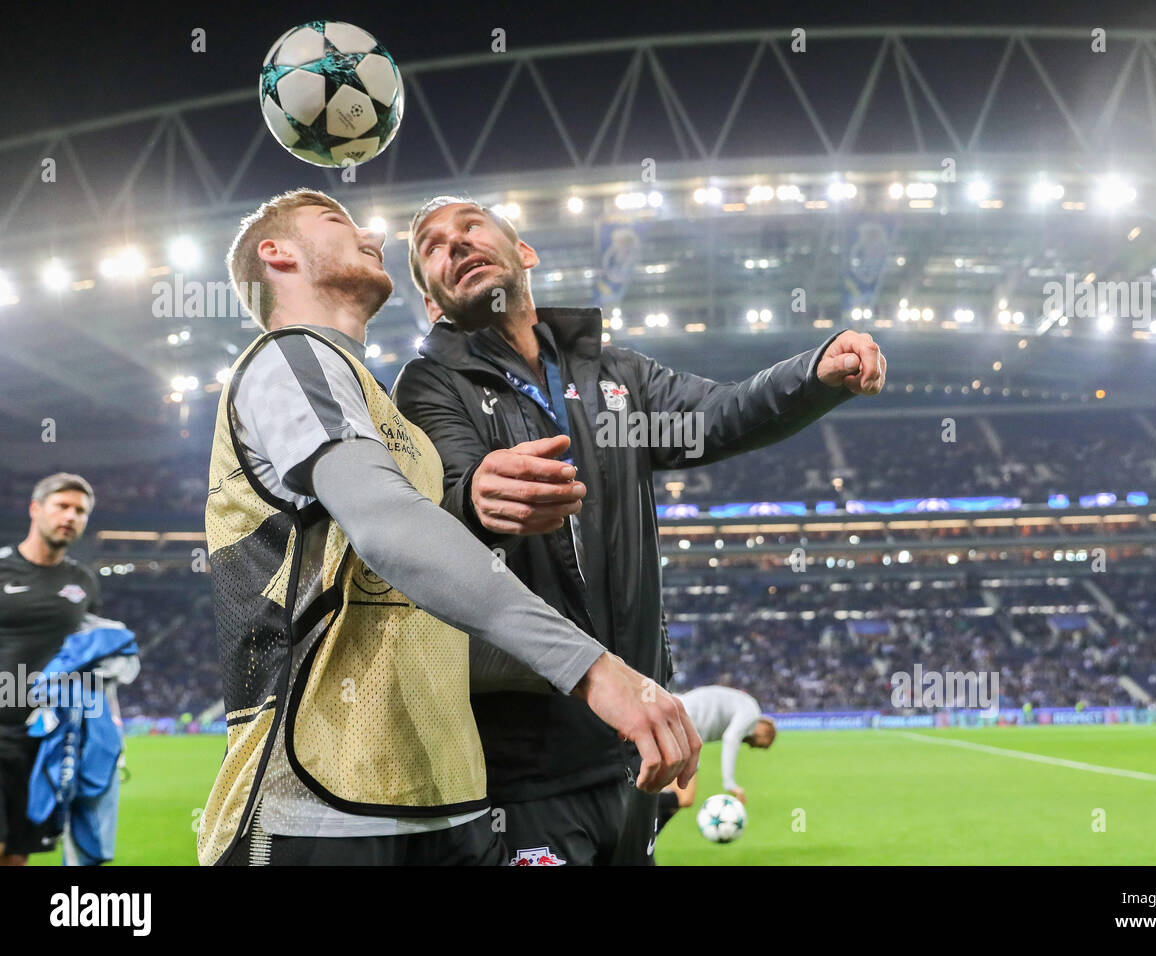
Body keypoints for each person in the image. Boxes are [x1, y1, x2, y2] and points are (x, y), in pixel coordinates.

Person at [201, 188, 698, 867]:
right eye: (337, 223)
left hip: (448, 806)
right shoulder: (288, 359)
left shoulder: (390, 416)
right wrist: (595, 669)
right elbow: (389, 527)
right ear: (276, 252)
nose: (374, 236)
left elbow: (421, 613)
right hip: (319, 810)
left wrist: (625, 701)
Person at [393, 195, 886, 865]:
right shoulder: (432, 384)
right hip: (524, 766)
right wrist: (475, 496)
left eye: (470, 226)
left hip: (632, 749)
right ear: (433, 305)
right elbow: (434, 509)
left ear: (524, 253)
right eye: (432, 246)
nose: (454, 243)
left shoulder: (615, 377)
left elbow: (717, 416)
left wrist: (812, 374)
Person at [0, 473, 100, 865]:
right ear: (35, 509)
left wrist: (107, 728)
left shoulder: (84, 583)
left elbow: (92, 658)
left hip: (47, 741)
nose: (71, 516)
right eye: (62, 506)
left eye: (80, 511)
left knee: (17, 856)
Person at [658, 686, 776, 832]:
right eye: (760, 745)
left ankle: (647, 838)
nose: (752, 747)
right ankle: (646, 831)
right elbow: (731, 738)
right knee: (685, 797)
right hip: (682, 724)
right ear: (765, 733)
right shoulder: (751, 713)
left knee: (667, 793)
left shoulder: (743, 706)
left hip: (678, 718)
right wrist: (730, 783)